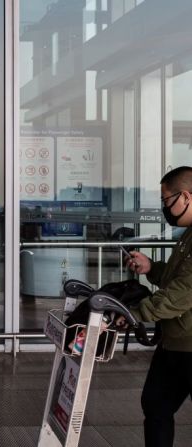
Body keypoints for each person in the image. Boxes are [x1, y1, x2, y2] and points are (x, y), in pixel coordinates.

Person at [123, 166, 192, 447]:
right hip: (175, 342)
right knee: (156, 406)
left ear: (186, 196)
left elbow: (182, 293)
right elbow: (177, 278)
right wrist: (151, 268)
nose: (165, 207)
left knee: (158, 407)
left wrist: (135, 313)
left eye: (166, 200)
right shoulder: (188, 235)